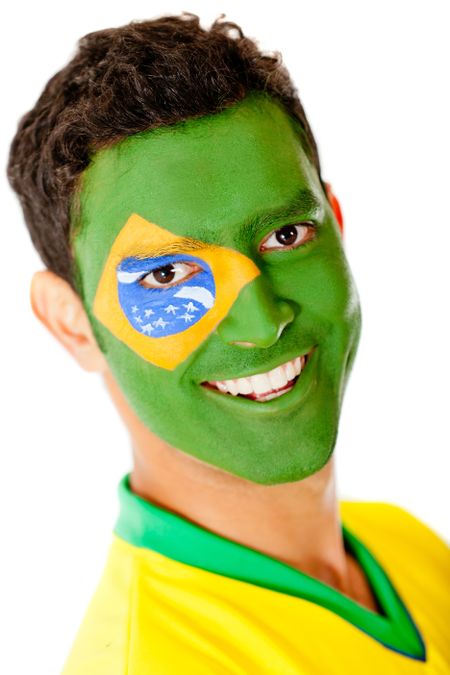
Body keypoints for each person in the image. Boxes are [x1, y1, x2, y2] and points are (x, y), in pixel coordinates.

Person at [7, 13, 449, 675]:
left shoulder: (404, 542)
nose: (262, 320)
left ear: (336, 221)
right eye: (165, 274)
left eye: (287, 236)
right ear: (72, 322)